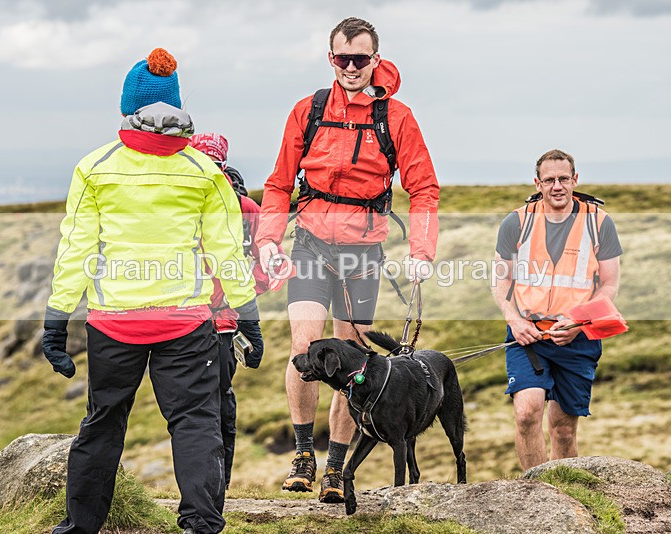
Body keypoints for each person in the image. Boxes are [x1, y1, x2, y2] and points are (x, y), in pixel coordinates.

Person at [41, 49, 261, 534]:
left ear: (128, 108)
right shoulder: (204, 171)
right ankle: (201, 524)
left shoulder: (94, 167)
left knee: (104, 421)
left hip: (113, 322)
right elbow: (227, 251)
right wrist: (248, 316)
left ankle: (80, 527)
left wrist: (57, 319)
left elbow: (76, 249)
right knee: (195, 421)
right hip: (185, 323)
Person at [255, 17, 440, 503]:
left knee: (352, 357)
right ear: (330, 58)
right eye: (343, 58)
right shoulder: (308, 110)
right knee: (304, 345)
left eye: (361, 58)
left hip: (363, 252)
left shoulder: (396, 117)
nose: (352, 67)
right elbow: (278, 182)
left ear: (375, 59)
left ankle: (335, 469)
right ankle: (302, 456)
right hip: (311, 244)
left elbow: (423, 188)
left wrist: (421, 252)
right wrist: (269, 240)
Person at [491, 149, 622, 470]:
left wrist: (578, 323)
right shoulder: (516, 222)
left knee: (563, 430)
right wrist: (514, 319)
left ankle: (561, 491)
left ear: (575, 180)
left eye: (564, 178)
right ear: (537, 184)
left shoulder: (599, 223)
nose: (557, 186)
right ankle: (534, 491)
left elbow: (609, 285)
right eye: (549, 180)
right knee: (526, 413)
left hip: (577, 338)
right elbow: (500, 279)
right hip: (527, 335)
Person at [189, 132, 270, 491]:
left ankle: (211, 490)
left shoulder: (244, 209)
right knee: (211, 406)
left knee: (208, 405)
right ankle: (210, 490)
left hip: (209, 322)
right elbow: (262, 271)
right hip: (206, 322)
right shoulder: (243, 208)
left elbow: (266, 264)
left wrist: (241, 300)